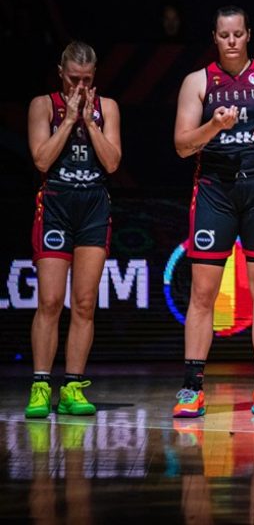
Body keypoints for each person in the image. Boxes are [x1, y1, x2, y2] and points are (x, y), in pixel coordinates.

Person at [171, 6, 254, 418]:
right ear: (214, 37)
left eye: (238, 34)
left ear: (248, 35)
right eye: (224, 35)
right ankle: (192, 388)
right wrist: (214, 127)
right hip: (216, 191)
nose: (231, 41)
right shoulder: (197, 82)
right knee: (202, 292)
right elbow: (182, 146)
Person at [25, 41, 121, 418]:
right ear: (60, 73)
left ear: (94, 77)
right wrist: (68, 120)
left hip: (94, 204)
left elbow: (112, 163)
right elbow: (41, 159)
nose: (79, 87)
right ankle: (40, 385)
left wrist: (90, 123)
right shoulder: (43, 105)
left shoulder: (107, 107)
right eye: (73, 79)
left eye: (86, 80)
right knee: (50, 301)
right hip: (56, 204)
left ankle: (73, 387)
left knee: (83, 302)